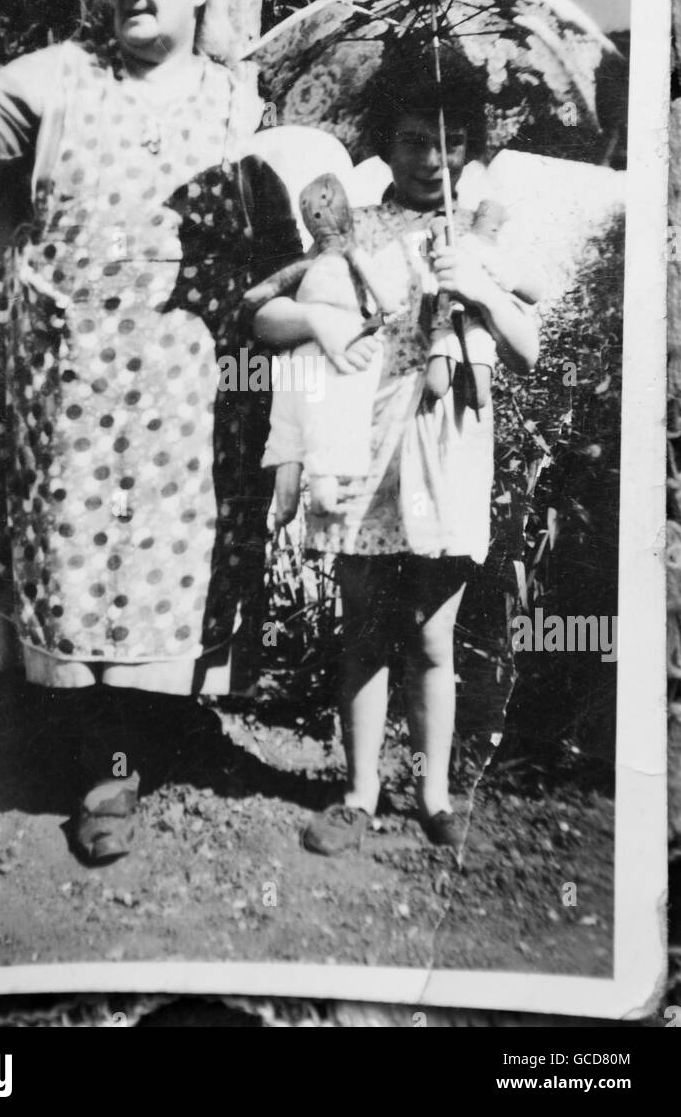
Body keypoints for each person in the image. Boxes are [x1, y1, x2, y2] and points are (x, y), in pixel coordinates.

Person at [0, 0, 303, 864]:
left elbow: (292, 263)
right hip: (72, 395)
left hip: (195, 402)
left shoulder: (245, 104)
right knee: (74, 578)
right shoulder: (62, 78)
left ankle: (120, 767)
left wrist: (295, 422)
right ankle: (91, 755)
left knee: (169, 588)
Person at [251, 50, 539, 854]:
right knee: (366, 630)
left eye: (449, 142)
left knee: (430, 635)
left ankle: (438, 793)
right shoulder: (357, 236)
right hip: (364, 445)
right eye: (413, 140)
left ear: (471, 150)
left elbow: (528, 348)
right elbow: (276, 321)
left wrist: (474, 283)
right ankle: (359, 792)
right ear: (387, 144)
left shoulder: (478, 238)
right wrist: (337, 320)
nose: (431, 158)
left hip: (444, 448)